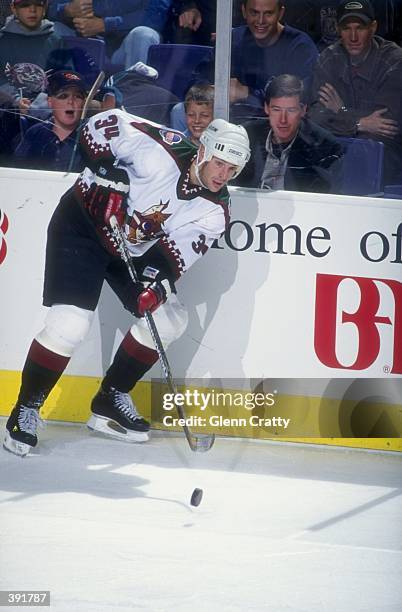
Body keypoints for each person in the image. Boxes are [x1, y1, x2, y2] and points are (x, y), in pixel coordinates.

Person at [3, 113, 250, 457]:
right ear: (203, 152)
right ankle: (26, 407)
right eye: (219, 163)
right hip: (82, 227)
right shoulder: (159, 147)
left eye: (232, 170)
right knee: (70, 325)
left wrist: (153, 289)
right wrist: (107, 170)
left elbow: (172, 257)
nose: (223, 175)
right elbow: (99, 124)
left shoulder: (215, 210)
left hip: (129, 248)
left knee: (170, 318)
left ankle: (109, 399)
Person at [170, 0, 319, 130]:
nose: (260, 21)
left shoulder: (299, 46)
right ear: (244, 11)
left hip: (270, 121)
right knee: (179, 111)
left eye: (268, 13)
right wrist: (212, 91)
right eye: (254, 12)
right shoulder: (233, 38)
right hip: (228, 115)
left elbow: (298, 102)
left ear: (280, 13)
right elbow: (197, 80)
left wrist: (247, 93)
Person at [308, 0, 402, 184]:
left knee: (366, 148)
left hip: (385, 154)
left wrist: (340, 111)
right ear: (337, 29)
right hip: (337, 148)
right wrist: (358, 123)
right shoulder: (328, 59)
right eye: (346, 28)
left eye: (360, 28)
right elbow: (315, 118)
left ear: (373, 27)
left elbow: (387, 126)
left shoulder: (394, 60)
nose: (353, 37)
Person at [234, 73, 343, 192]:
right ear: (266, 108)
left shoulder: (324, 147)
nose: (283, 120)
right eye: (276, 110)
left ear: (303, 110)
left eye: (291, 110)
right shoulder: (245, 136)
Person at [14, 69, 87, 171]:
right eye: (63, 96)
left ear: (84, 103)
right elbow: (16, 172)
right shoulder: (35, 133)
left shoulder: (94, 135)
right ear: (50, 101)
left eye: (78, 96)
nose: (71, 101)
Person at [47, 0, 146, 69]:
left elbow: (154, 17)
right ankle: (53, 90)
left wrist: (105, 24)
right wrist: (66, 10)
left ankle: (135, 91)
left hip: (124, 50)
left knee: (144, 34)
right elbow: (48, 9)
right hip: (83, 47)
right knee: (52, 28)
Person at [0, 0, 63, 86]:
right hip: (9, 98)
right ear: (13, 8)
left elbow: (64, 79)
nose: (32, 10)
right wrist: (15, 98)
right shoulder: (2, 41)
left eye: (38, 4)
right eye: (25, 5)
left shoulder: (56, 41)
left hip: (47, 98)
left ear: (45, 7)